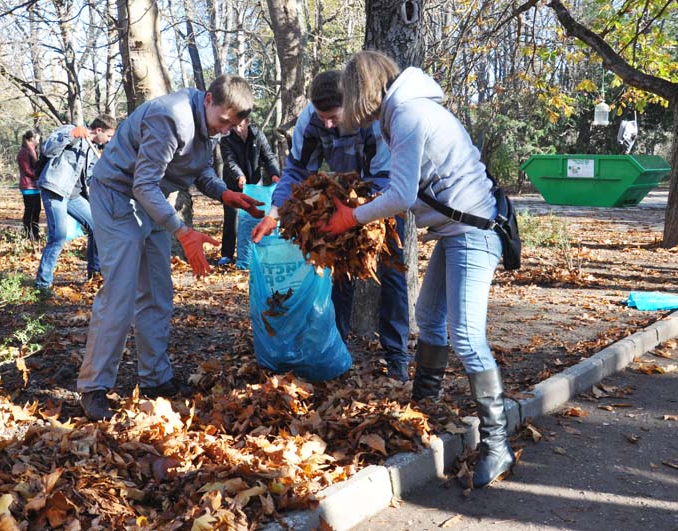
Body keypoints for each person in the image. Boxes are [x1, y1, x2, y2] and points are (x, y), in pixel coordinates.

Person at [322, 51, 516, 488]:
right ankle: (425, 410)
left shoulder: (408, 113)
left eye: (349, 94)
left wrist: (350, 218)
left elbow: (402, 195)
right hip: (456, 232)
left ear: (361, 89)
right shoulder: (403, 111)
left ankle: (497, 444)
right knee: (428, 317)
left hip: (473, 233)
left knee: (466, 337)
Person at [78, 76, 265, 421]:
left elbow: (199, 169)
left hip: (151, 200)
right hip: (117, 194)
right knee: (120, 294)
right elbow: (143, 183)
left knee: (157, 292)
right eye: (223, 120)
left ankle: (155, 379)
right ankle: (94, 387)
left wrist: (225, 193)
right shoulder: (170, 117)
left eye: (232, 125)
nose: (226, 129)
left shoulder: (211, 124)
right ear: (208, 99)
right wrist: (182, 231)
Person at [251, 70, 411, 381]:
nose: (326, 124)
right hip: (340, 201)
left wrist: (360, 214)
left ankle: (397, 355)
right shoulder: (310, 120)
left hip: (382, 199)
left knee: (391, 272)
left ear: (350, 105)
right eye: (321, 117)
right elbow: (297, 170)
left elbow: (384, 176)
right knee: (339, 274)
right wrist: (273, 213)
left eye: (333, 117)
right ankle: (336, 348)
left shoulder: (372, 119)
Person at [34, 116, 117, 291]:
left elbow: (90, 177)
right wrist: (71, 135)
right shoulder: (69, 130)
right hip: (55, 189)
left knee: (98, 227)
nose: (109, 140)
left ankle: (95, 274)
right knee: (58, 236)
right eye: (109, 136)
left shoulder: (93, 148)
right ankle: (43, 285)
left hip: (74, 195)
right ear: (99, 130)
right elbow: (48, 149)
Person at [218, 117, 281, 266]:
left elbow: (268, 156)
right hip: (233, 183)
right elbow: (230, 161)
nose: (237, 129)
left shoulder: (257, 135)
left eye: (240, 125)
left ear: (247, 122)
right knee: (232, 217)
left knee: (255, 215)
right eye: (235, 126)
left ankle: (256, 250)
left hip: (254, 182)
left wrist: (274, 173)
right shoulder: (226, 138)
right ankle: (227, 254)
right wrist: (239, 176)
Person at [16, 130, 41, 241]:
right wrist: (38, 175)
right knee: (30, 210)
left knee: (37, 210)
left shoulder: (33, 151)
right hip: (28, 186)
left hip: (35, 186)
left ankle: (35, 234)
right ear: (32, 139)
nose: (38, 141)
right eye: (37, 139)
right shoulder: (24, 152)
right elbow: (27, 169)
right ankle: (28, 234)